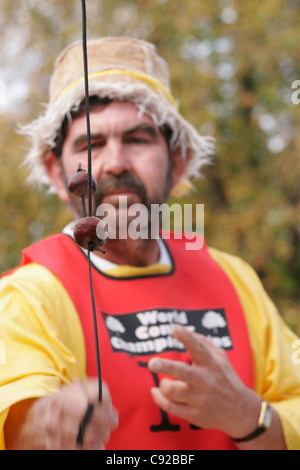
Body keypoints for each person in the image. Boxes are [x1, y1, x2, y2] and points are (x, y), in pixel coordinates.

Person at [0, 36, 300, 451]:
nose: (115, 163)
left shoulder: (234, 276)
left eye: (138, 140)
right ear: (55, 172)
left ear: (176, 162)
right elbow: (17, 422)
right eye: (91, 144)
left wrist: (249, 416)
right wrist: (43, 425)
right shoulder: (29, 294)